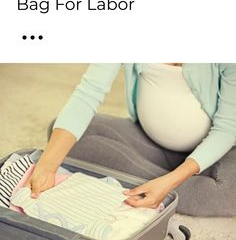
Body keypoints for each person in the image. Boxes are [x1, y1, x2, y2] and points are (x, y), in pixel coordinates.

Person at [26, 63, 236, 216]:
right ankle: (165, 184)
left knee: (229, 193)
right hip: (149, 141)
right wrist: (47, 165)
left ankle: (165, 182)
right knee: (63, 134)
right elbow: (87, 94)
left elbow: (227, 128)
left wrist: (173, 180)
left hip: (223, 150)